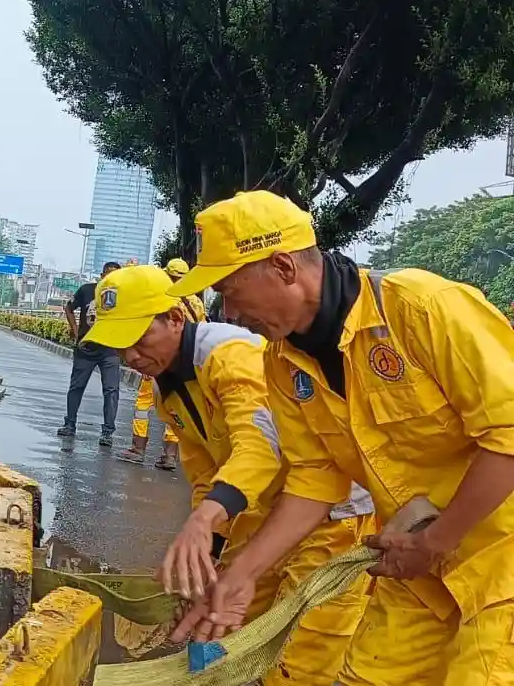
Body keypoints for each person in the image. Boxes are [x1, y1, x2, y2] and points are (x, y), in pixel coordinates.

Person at [168, 190, 514, 686]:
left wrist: (439, 540)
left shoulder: (421, 310)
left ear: (284, 267)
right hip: (415, 563)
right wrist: (241, 576)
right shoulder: (282, 363)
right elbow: (315, 480)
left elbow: (508, 436)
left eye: (231, 290)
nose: (230, 313)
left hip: (499, 559)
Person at [85, 265, 375, 685]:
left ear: (174, 319)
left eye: (138, 338)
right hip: (264, 513)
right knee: (222, 624)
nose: (129, 356)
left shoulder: (228, 356)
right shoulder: (170, 390)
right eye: (118, 345)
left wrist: (204, 521)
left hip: (333, 514)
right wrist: (210, 555)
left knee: (302, 647)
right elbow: (206, 474)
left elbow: (260, 447)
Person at [119, 258, 206, 468]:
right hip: (186, 363)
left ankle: (138, 448)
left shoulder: (165, 299)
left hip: (159, 361)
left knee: (143, 405)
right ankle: (170, 455)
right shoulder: (196, 302)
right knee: (178, 408)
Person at [58, 261, 123, 445]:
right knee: (76, 387)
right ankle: (69, 424)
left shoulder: (124, 295)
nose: (112, 279)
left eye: (117, 276)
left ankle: (107, 432)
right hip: (86, 347)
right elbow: (69, 308)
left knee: (111, 389)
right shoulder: (87, 290)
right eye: (108, 275)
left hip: (110, 349)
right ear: (102, 276)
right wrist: (75, 329)